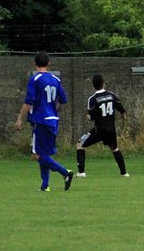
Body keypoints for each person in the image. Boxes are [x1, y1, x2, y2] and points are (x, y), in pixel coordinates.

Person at [14, 52, 74, 192]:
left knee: (36, 154)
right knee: (44, 153)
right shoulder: (55, 79)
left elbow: (29, 101)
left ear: (35, 64)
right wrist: (54, 110)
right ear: (48, 64)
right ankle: (45, 185)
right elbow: (63, 100)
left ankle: (65, 173)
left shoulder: (35, 79)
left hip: (40, 120)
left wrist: (20, 118)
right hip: (53, 120)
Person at [76, 74, 128, 177]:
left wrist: (88, 117)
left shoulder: (92, 99)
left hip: (99, 130)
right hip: (111, 129)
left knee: (80, 144)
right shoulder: (111, 95)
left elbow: (92, 117)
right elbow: (121, 108)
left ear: (93, 85)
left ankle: (81, 172)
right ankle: (124, 173)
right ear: (103, 83)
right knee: (115, 148)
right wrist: (123, 115)